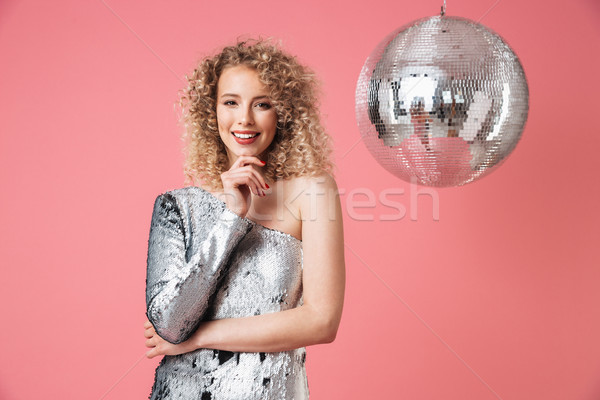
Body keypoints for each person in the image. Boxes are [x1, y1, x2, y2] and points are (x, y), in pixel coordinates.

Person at [142, 38, 345, 399]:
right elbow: (170, 325)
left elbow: (321, 321)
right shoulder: (176, 206)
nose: (245, 119)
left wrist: (199, 337)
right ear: (212, 111)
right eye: (231, 102)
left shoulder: (313, 190)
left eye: (262, 104)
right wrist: (232, 217)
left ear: (283, 112)